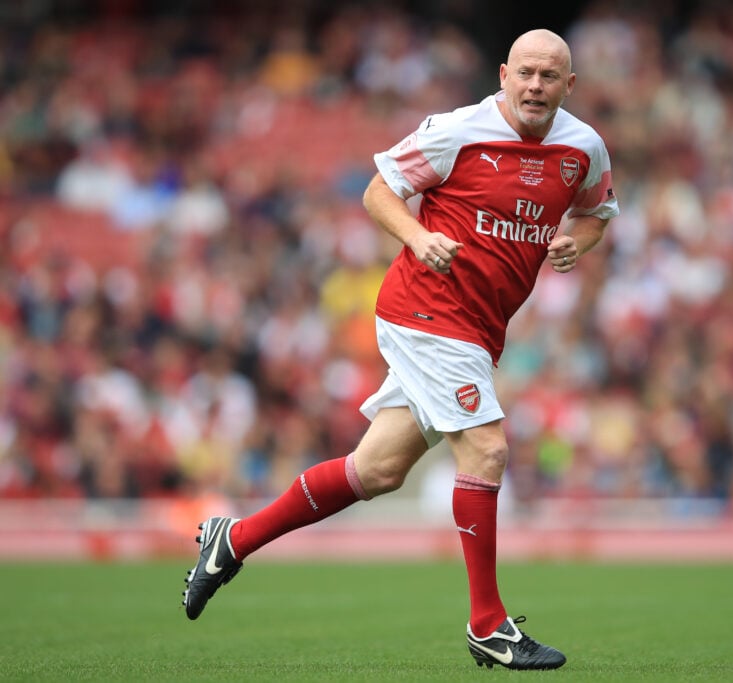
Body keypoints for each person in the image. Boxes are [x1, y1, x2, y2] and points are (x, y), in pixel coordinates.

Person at [181, 28, 618, 671]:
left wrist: (578, 242)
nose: (535, 86)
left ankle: (233, 539)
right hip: (427, 310)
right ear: (503, 74)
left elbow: (597, 211)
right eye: (524, 72)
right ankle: (487, 623)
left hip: (478, 328)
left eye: (549, 76)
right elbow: (378, 190)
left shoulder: (584, 148)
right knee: (488, 449)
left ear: (569, 85)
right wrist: (417, 236)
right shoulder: (456, 131)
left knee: (377, 471)